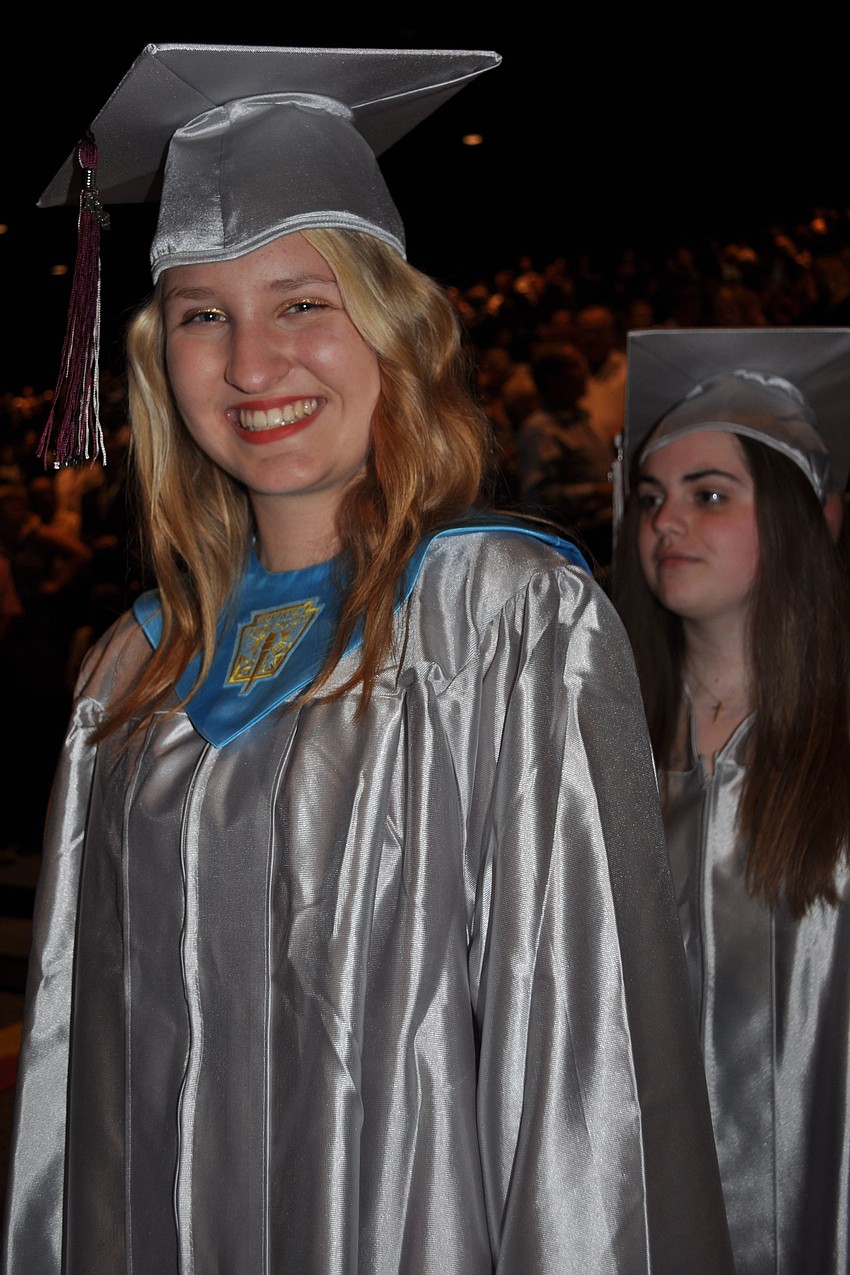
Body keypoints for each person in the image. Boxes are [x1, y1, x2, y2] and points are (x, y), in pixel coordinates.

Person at [2, 44, 734, 1274]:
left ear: (392, 328)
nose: (248, 365)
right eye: (202, 318)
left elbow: (588, 1068)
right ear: (156, 361)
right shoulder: (128, 673)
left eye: (301, 302)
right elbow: (86, 1096)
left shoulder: (505, 621)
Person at [614, 326, 850, 1275]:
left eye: (710, 495)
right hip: (643, 1208)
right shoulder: (598, 748)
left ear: (810, 518)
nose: (668, 521)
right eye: (652, 498)